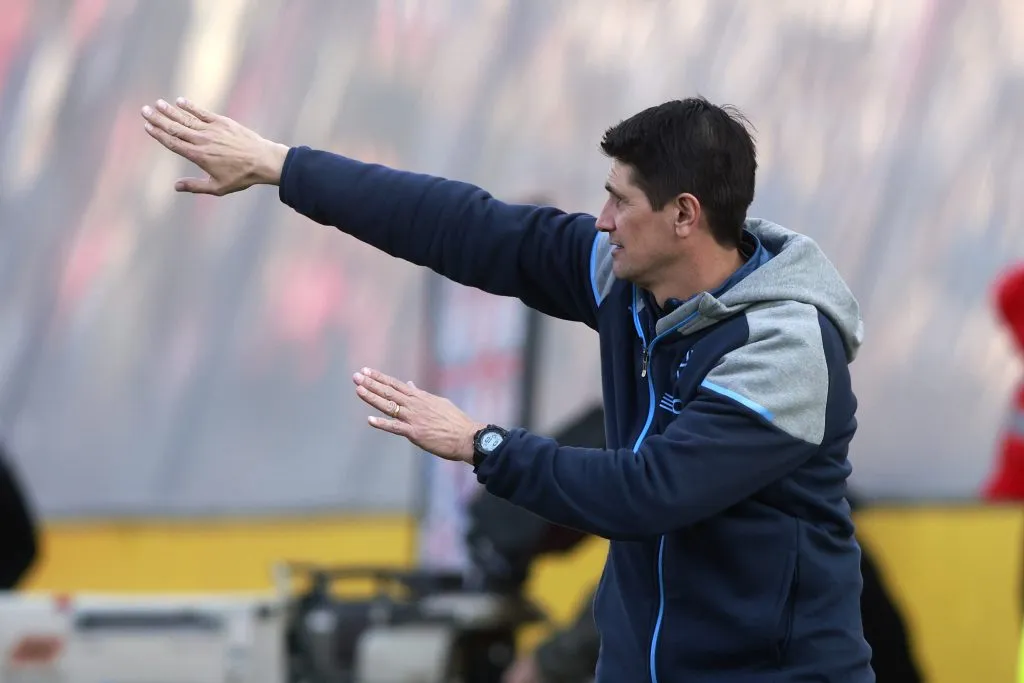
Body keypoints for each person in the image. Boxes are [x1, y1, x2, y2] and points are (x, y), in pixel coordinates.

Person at [141, 95, 872, 682]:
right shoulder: (626, 278)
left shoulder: (782, 345)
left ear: (684, 215)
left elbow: (647, 494)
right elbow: (465, 225)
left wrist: (481, 443)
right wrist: (282, 166)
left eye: (622, 202)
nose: (602, 220)